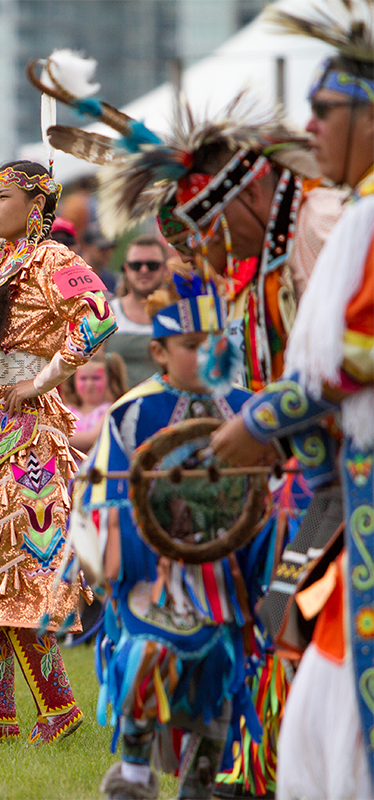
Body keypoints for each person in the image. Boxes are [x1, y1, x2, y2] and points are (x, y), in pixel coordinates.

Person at [209, 4, 374, 795]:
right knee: (320, 694)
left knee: (336, 704)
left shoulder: (354, 218)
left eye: (324, 110)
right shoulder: (358, 216)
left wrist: (257, 421)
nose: (309, 126)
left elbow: (355, 356)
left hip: (356, 500)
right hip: (348, 492)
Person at [79, 275, 270, 799]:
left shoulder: (253, 410)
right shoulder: (133, 413)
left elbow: (270, 493)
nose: (209, 354)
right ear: (160, 352)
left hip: (228, 570)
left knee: (221, 668)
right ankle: (136, 772)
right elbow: (101, 499)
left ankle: (202, 779)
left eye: (217, 344)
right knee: (148, 654)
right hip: (150, 568)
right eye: (193, 346)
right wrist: (116, 563)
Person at [0, 160, 116, 744]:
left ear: (36, 204)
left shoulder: (55, 260)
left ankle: (60, 707)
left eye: (4, 196)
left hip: (27, 436)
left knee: (19, 564)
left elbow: (100, 316)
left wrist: (43, 380)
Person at [103, 237, 168, 390]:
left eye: (152, 265)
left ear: (165, 269)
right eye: (136, 265)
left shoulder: (179, 314)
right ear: (126, 269)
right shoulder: (106, 313)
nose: (144, 270)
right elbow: (90, 365)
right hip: (118, 408)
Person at [63, 350, 127, 455]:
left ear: (110, 380)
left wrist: (55, 438)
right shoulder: (66, 411)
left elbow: (93, 440)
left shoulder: (111, 410)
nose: (89, 384)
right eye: (83, 378)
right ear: (73, 381)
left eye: (95, 378)